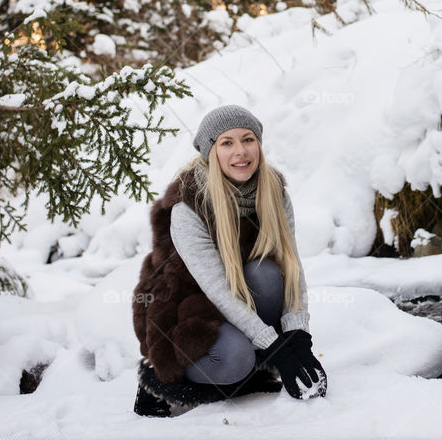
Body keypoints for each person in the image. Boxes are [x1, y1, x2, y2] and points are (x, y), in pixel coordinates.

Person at [131, 104, 327, 417]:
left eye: (248, 139)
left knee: (266, 274)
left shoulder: (273, 192)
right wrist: (275, 347)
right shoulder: (188, 205)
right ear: (210, 151)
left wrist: (298, 339)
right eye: (227, 143)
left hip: (240, 295)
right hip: (186, 308)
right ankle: (157, 375)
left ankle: (251, 355)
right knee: (233, 361)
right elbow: (216, 289)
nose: (241, 152)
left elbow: (292, 268)